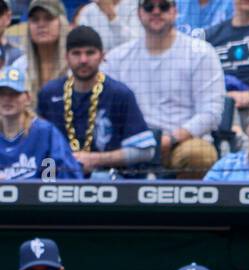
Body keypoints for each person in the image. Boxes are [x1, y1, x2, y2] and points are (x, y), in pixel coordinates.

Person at [103, 0, 224, 176]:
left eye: (164, 6)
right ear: (139, 13)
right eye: (149, 7)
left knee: (200, 154)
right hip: (132, 144)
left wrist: (170, 140)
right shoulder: (117, 58)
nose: (156, 11)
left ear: (175, 11)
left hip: (181, 143)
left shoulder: (201, 53)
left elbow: (211, 113)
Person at [37, 26, 154, 175]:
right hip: (59, 177)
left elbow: (145, 151)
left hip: (110, 179)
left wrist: (96, 159)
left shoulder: (120, 94)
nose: (83, 60)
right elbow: (37, 143)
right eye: (76, 53)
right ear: (66, 57)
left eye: (90, 53)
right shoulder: (49, 93)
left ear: (102, 56)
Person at [0, 65, 83, 178]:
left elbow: (64, 178)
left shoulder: (45, 133)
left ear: (28, 98)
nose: (6, 99)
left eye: (14, 93)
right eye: (1, 94)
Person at [16, 0, 69, 99]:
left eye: (49, 18)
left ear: (62, 23)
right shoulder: (19, 66)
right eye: (35, 19)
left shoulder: (74, 65)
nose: (41, 25)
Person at [74, 0, 143, 52]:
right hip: (98, 66)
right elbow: (82, 45)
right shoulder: (87, 10)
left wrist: (111, 16)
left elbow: (137, 45)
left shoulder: (138, 7)